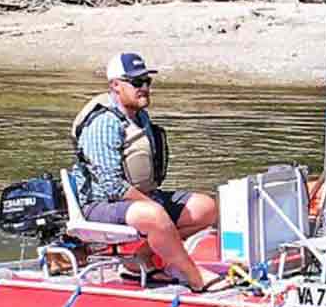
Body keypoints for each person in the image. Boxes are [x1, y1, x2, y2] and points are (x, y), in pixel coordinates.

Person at [73, 51, 220, 289]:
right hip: (100, 204)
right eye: (136, 82)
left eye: (146, 81)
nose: (144, 87)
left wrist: (152, 203)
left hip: (139, 198)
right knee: (154, 215)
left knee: (206, 208)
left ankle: (139, 259)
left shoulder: (140, 115)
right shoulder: (104, 122)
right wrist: (153, 207)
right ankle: (194, 277)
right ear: (116, 85)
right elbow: (112, 186)